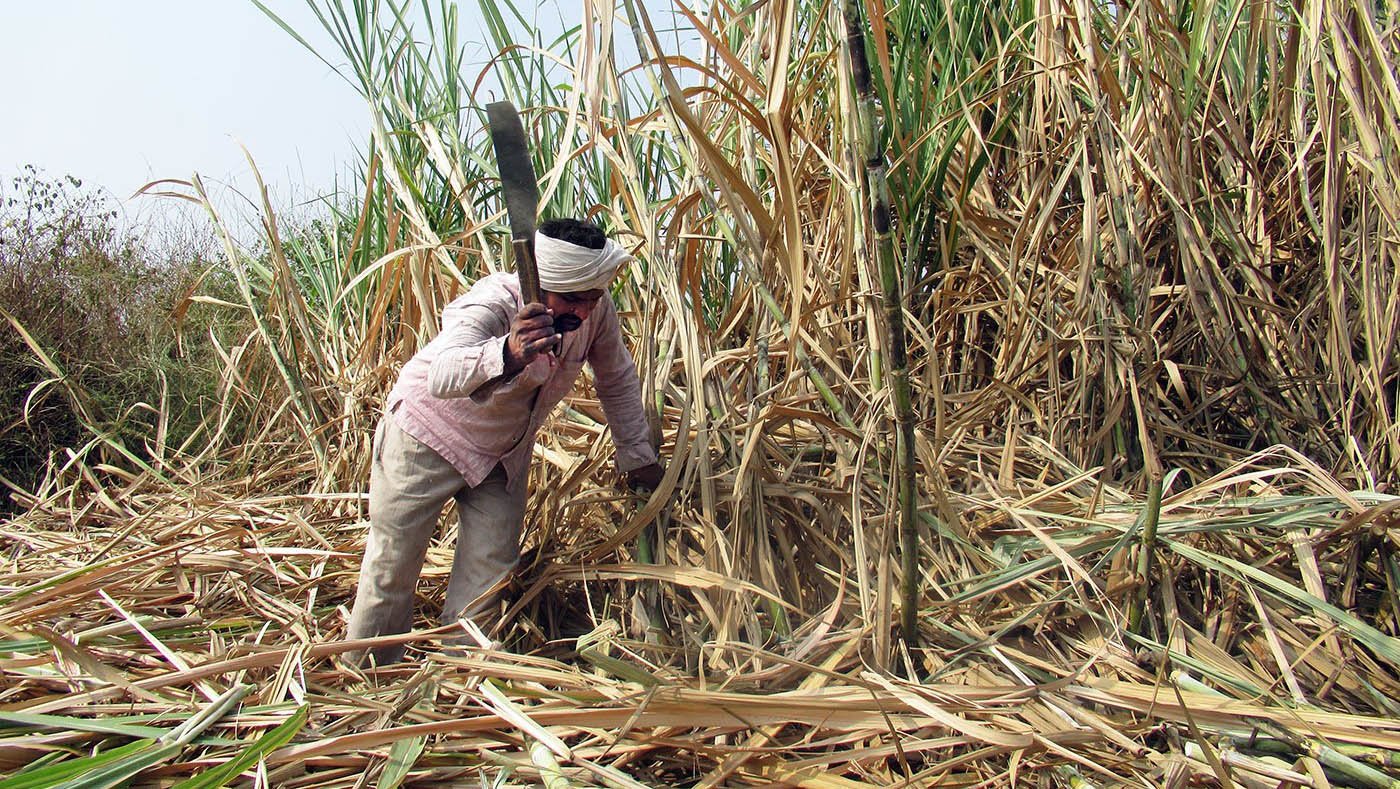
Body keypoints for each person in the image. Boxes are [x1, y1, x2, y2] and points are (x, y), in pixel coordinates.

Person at [346, 217, 664, 665]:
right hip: (425, 437)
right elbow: (444, 373)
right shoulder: (494, 302)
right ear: (542, 283)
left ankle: (464, 683)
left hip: (501, 457)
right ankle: (365, 681)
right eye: (574, 299)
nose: (586, 310)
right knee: (392, 566)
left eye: (593, 298)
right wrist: (508, 353)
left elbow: (616, 379)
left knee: (488, 576)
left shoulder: (595, 309)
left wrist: (636, 455)